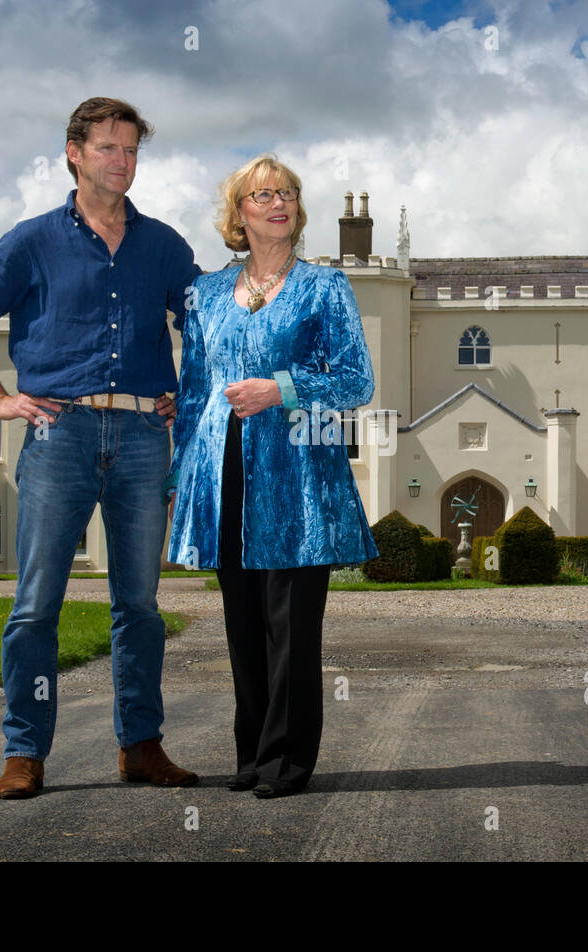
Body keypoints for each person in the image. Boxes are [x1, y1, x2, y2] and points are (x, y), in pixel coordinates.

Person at [0, 97, 201, 798]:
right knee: (36, 605)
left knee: (138, 606)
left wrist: (192, 390)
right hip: (61, 434)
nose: (123, 161)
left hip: (145, 436)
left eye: (133, 150)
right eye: (109, 148)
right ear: (74, 155)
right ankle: (24, 752)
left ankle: (141, 746)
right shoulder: (29, 241)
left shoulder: (165, 246)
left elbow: (209, 321)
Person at [165, 155, 378, 799]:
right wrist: (182, 478)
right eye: (262, 195)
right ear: (239, 214)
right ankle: (253, 755)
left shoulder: (325, 288)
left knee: (291, 626)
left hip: (298, 479)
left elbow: (356, 381)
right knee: (243, 622)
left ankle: (288, 760)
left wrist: (280, 387)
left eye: (286, 192)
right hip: (223, 470)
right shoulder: (203, 294)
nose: (277, 202)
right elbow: (196, 389)